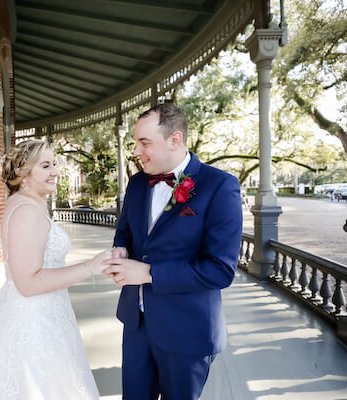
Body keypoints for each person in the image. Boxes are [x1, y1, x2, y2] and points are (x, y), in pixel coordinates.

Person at [0, 139, 109, 400]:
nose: (55, 171)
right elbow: (28, 284)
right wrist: (90, 267)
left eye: (55, 164)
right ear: (22, 172)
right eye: (46, 166)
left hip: (45, 311)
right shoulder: (26, 211)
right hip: (34, 319)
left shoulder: (27, 203)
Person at [102, 103, 243, 399]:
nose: (137, 151)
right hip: (136, 324)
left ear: (174, 140)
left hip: (187, 332)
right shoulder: (138, 182)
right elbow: (125, 231)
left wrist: (149, 273)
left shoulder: (220, 186)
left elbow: (221, 270)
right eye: (135, 143)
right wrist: (120, 250)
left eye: (144, 143)